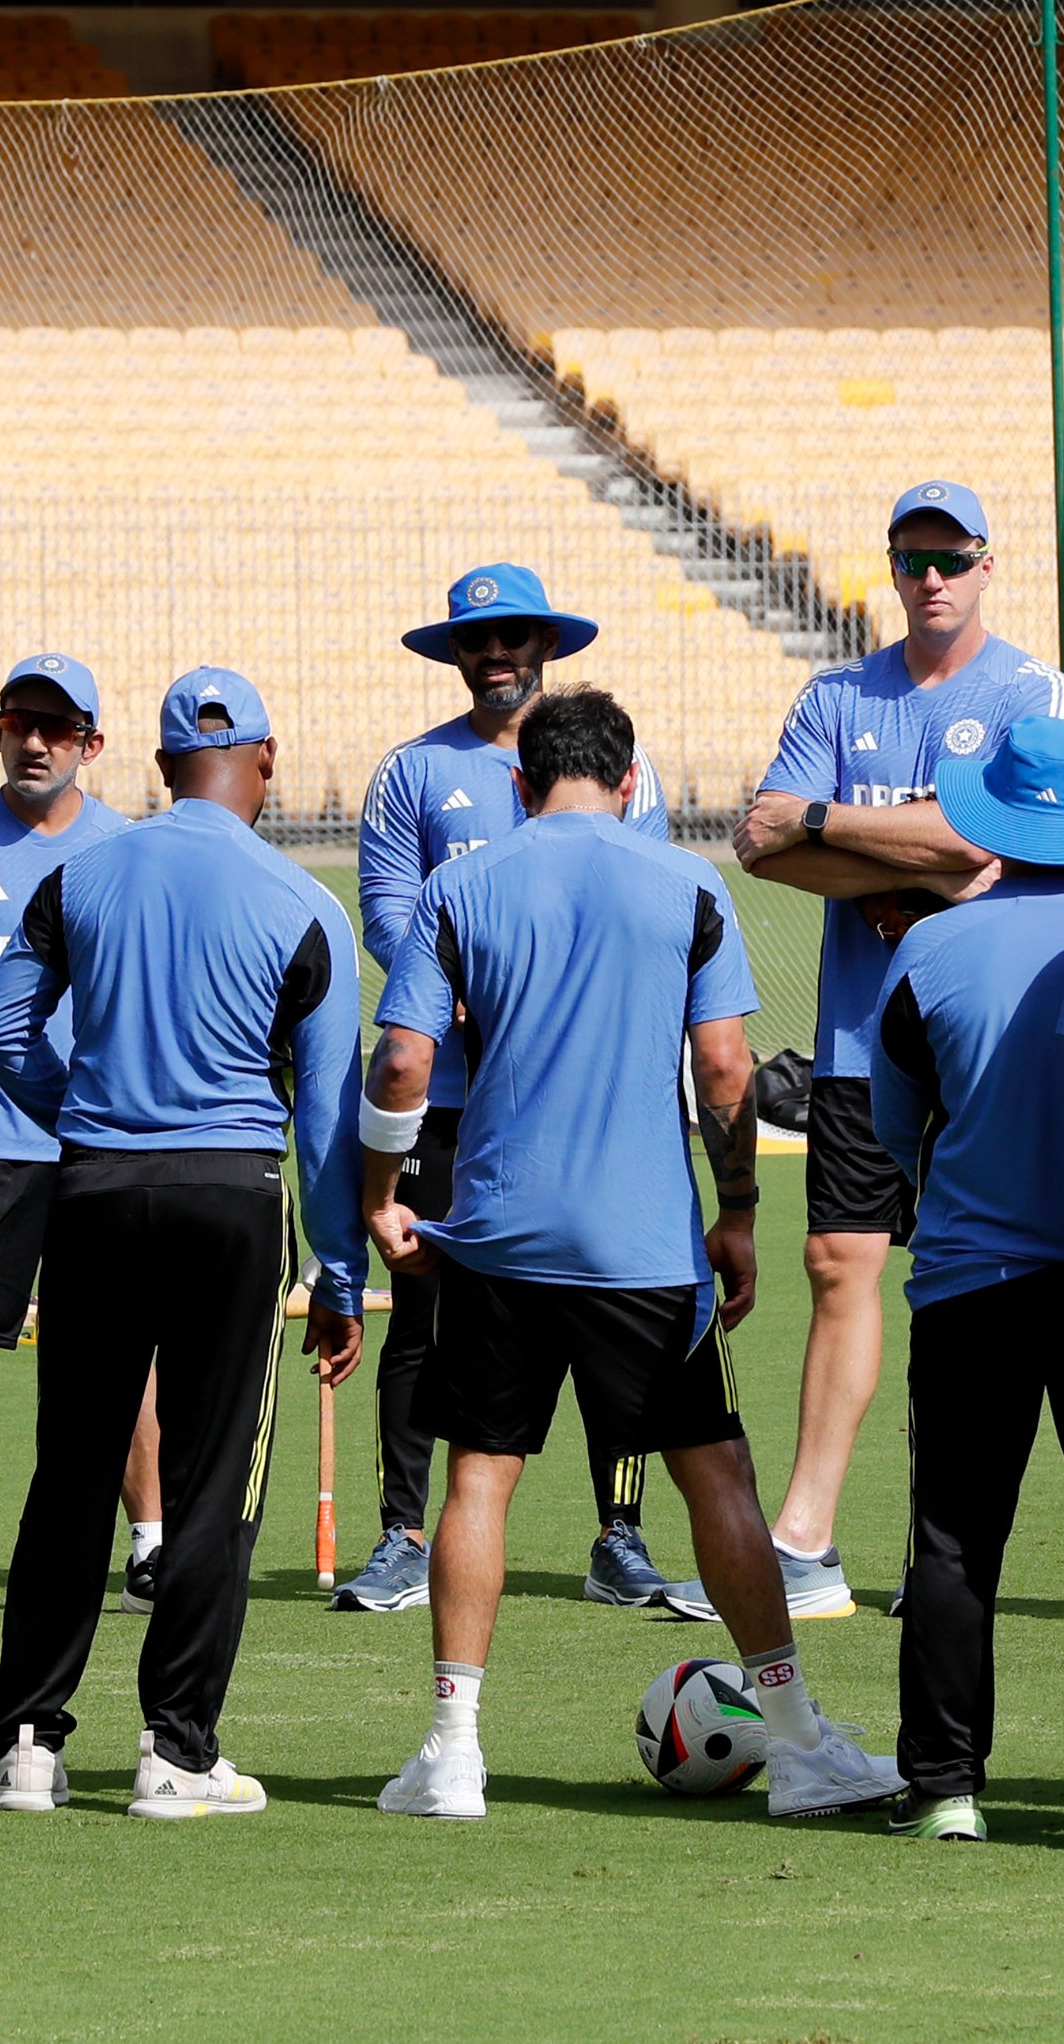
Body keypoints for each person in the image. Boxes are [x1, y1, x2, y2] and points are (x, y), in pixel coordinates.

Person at [367, 687, 897, 1824]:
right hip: (645, 1246)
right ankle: (798, 1744)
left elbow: (403, 1066)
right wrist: (741, 1209)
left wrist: (379, 1197)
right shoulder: (688, 882)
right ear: (627, 781)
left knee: (478, 1478)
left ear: (521, 785)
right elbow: (722, 1073)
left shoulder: (462, 885)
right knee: (717, 1477)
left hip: (500, 1234)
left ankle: (453, 1751)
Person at [0, 667, 366, 1819]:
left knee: (73, 1467)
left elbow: (3, 1024)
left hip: (95, 1188)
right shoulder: (303, 902)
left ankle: (28, 1747)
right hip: (232, 1193)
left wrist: (84, 1109)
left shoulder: (81, 872)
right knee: (210, 1482)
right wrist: (340, 1274)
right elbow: (330, 1112)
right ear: (268, 758)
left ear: (153, 765)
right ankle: (176, 1749)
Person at [731, 482, 1064, 1620]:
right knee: (839, 1262)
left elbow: (1003, 842)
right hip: (853, 1041)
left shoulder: (1034, 691)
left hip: (988, 1039)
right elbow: (763, 838)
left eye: (951, 557)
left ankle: (946, 1549)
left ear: (987, 565)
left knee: (971, 1283)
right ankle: (805, 1541)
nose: (930, 576)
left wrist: (844, 830)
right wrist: (921, 861)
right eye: (911, 557)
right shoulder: (837, 693)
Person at [863, 714, 1064, 1844]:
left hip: (969, 1281)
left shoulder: (929, 947)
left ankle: (944, 1785)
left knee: (950, 1536)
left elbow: (897, 1122)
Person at [357, 567, 672, 1616]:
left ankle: (618, 1534)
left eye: (514, 635)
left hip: (589, 1099)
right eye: (476, 639)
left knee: (610, 1311)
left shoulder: (628, 769)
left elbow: (649, 904)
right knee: (424, 1314)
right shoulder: (411, 771)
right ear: (454, 652)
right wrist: (463, 991)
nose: (496, 653)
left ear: (548, 643)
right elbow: (388, 913)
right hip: (451, 1096)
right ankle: (404, 1531)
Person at [0, 654, 155, 1608]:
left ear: (91, 745)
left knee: (128, 1352)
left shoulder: (130, 849)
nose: (37, 740)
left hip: (98, 1145)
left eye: (59, 728)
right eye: (22, 721)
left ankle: (151, 1546)